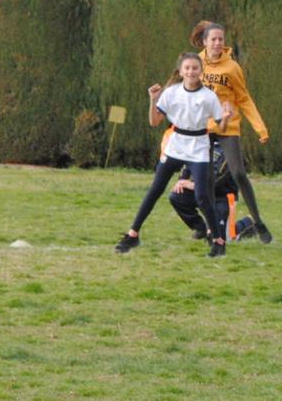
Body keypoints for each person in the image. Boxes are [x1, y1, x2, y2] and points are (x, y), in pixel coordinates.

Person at [115, 53, 228, 258]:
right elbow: (154, 121)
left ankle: (218, 240)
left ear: (201, 71)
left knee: (202, 196)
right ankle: (133, 234)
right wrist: (153, 100)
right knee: (155, 189)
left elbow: (220, 124)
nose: (191, 72)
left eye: (195, 68)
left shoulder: (209, 96)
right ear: (181, 71)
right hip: (175, 145)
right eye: (187, 68)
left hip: (198, 147)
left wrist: (225, 118)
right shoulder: (171, 93)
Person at [193, 20, 272, 243]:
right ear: (205, 42)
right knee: (205, 178)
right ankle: (211, 229)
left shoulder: (232, 68)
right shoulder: (197, 63)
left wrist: (260, 128)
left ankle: (258, 222)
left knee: (238, 173)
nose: (218, 43)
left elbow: (244, 99)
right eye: (213, 39)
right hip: (205, 127)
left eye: (221, 39)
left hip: (229, 127)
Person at [168, 138, 239, 241]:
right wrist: (181, 181)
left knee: (225, 237)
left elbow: (219, 179)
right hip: (203, 193)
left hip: (223, 197)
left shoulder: (229, 148)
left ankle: (248, 224)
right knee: (177, 196)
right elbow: (187, 165)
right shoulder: (199, 143)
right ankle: (201, 228)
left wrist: (194, 185)